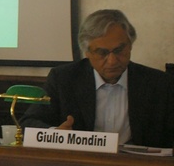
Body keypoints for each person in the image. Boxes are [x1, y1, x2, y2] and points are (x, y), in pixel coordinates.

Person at [21, 9, 174, 148]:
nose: (112, 60)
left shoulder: (159, 84)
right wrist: (56, 134)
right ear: (87, 53)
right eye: (102, 53)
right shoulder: (64, 79)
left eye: (119, 50)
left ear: (130, 45)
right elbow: (29, 123)